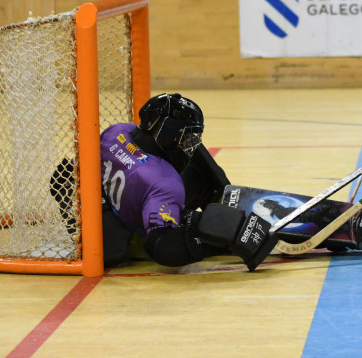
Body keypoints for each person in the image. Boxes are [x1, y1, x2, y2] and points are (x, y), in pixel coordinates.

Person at [96, 93, 279, 270]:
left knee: (194, 159)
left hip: (105, 204)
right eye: (188, 137)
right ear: (168, 132)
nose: (190, 144)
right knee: (192, 180)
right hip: (128, 228)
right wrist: (207, 235)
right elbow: (162, 246)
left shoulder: (116, 131)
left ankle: (222, 195)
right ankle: (225, 214)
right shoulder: (165, 182)